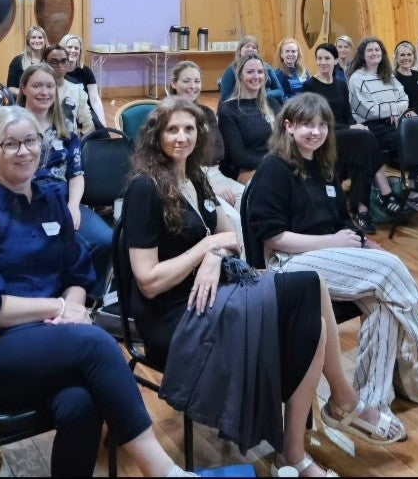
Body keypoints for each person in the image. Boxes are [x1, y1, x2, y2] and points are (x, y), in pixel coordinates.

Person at [125, 97, 388, 474]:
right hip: (175, 314)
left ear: (200, 135)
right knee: (307, 296)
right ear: (155, 136)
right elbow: (148, 282)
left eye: (189, 129)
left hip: (214, 291)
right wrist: (207, 247)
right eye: (172, 130)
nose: (181, 137)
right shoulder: (144, 189)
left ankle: (301, 441)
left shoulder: (194, 178)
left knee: (310, 291)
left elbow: (229, 235)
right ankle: (317, 428)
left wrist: (214, 255)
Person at [0, 106, 193, 478]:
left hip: (49, 339)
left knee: (82, 402)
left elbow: (78, 270)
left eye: (31, 141)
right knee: (94, 343)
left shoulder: (52, 199)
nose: (24, 151)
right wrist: (57, 306)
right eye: (11, 144)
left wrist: (72, 305)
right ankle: (163, 471)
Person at [248, 94, 418, 420]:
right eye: (307, 124)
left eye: (322, 125)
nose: (316, 132)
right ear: (288, 126)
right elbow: (272, 237)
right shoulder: (273, 168)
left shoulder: (322, 166)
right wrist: (331, 241)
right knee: (390, 268)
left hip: (327, 254)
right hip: (286, 264)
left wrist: (362, 242)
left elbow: (342, 220)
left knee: (382, 305)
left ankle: (372, 402)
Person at [17, 64, 111, 299]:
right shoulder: (11, 124)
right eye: (37, 85)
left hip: (62, 197)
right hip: (24, 198)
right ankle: (51, 297)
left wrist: (72, 206)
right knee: (50, 244)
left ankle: (90, 300)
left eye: (49, 86)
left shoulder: (66, 126)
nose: (44, 92)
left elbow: (76, 173)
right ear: (24, 89)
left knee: (105, 240)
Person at [301, 43, 404, 229]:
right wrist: (351, 126)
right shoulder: (310, 85)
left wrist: (353, 125)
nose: (323, 62)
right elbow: (315, 120)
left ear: (334, 60)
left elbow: (348, 114)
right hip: (324, 135)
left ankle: (362, 210)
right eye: (319, 58)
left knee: (362, 154)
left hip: (344, 135)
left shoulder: (341, 84)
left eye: (327, 58)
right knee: (365, 137)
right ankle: (385, 192)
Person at [168, 61, 245, 241]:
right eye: (186, 81)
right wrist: (209, 186)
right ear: (173, 83)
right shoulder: (167, 115)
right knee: (232, 219)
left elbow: (218, 151)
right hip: (185, 176)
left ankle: (256, 261)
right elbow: (173, 160)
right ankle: (237, 267)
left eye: (197, 81)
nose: (193, 86)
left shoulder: (205, 112)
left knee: (250, 200)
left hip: (214, 173)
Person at [217, 54, 282, 183]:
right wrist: (273, 163)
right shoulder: (229, 109)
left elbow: (285, 138)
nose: (256, 76)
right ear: (240, 76)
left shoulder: (272, 103)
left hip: (275, 163)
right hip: (246, 168)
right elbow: (238, 156)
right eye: (250, 72)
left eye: (260, 72)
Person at [347, 37, 410, 166]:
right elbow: (369, 111)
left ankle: (414, 179)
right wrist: (393, 110)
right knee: (407, 142)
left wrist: (394, 112)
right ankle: (403, 178)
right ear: (363, 55)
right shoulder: (357, 78)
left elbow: (404, 98)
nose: (374, 53)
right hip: (371, 126)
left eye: (377, 49)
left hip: (394, 122)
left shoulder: (388, 75)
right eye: (369, 50)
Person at [44, 45, 95, 137]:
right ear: (45, 64)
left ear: (67, 63)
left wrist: (78, 140)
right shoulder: (39, 91)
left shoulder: (77, 90)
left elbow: (88, 124)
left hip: (70, 143)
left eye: (63, 61)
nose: (59, 65)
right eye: (53, 62)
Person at [218, 36, 285, 103]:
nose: (250, 49)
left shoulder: (266, 67)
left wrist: (262, 95)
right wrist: (249, 96)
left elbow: (279, 91)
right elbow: (225, 97)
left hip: (266, 102)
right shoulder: (231, 70)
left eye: (254, 47)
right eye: (247, 46)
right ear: (240, 49)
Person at [61, 34, 106, 127]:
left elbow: (95, 100)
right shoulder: (55, 71)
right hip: (64, 113)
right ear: (62, 49)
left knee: (102, 133)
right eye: (69, 47)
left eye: (76, 48)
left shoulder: (86, 71)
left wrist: (103, 123)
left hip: (85, 112)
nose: (73, 50)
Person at [6, 25, 49, 97]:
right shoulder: (18, 61)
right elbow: (10, 88)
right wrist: (30, 94)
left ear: (44, 40)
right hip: (23, 103)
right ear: (28, 40)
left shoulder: (49, 60)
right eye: (33, 37)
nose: (37, 40)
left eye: (40, 37)